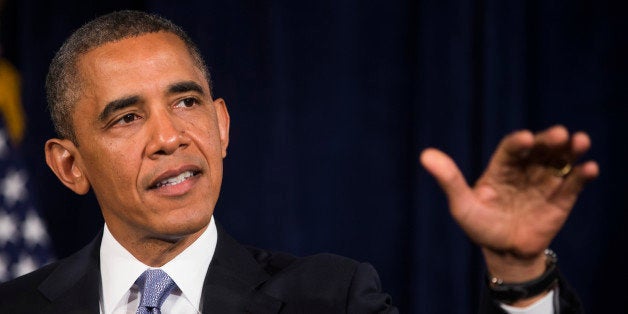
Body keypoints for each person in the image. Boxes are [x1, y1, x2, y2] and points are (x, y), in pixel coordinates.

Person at [0, 10, 598, 314]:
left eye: (187, 101)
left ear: (222, 125)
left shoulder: (330, 297)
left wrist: (520, 274)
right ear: (69, 166)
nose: (170, 137)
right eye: (127, 118)